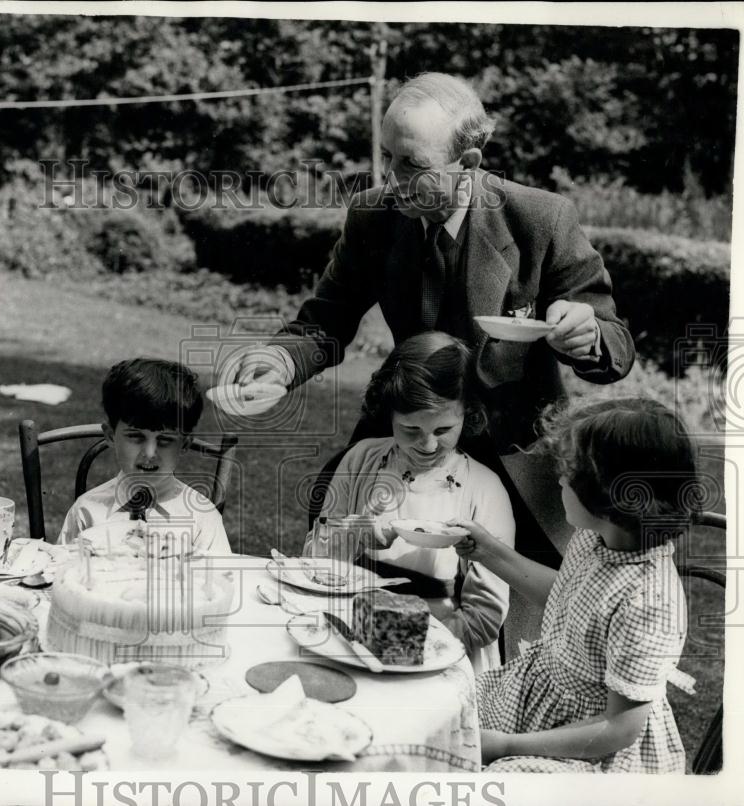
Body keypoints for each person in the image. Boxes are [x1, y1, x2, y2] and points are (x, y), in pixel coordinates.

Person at [229, 71, 636, 573]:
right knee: (339, 546)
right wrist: (280, 362)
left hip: (513, 448)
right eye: (387, 158)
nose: (389, 180)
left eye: (411, 165)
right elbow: (325, 318)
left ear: (467, 164)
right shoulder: (373, 215)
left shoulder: (541, 218)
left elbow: (615, 346)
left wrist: (587, 335)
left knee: (515, 599)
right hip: (409, 429)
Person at [453, 398, 696, 773]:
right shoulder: (593, 536)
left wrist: (506, 747)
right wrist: (487, 551)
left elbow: (619, 728)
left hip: (597, 749)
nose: (560, 479)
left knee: (500, 779)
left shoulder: (649, 601)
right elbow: (569, 598)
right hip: (541, 698)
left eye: (569, 472)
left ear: (607, 495)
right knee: (440, 707)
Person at [306, 332, 514, 673]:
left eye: (444, 429)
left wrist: (409, 641)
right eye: (411, 430)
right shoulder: (362, 462)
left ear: (468, 414)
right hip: (354, 640)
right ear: (389, 414)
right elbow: (314, 566)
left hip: (440, 651)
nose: (428, 445)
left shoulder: (483, 489)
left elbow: (486, 612)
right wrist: (353, 534)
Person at [56, 358, 231, 554]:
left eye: (165, 440)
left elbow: (222, 579)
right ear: (110, 435)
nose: (149, 454)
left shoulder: (201, 518)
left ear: (184, 444)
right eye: (136, 437)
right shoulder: (86, 511)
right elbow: (58, 571)